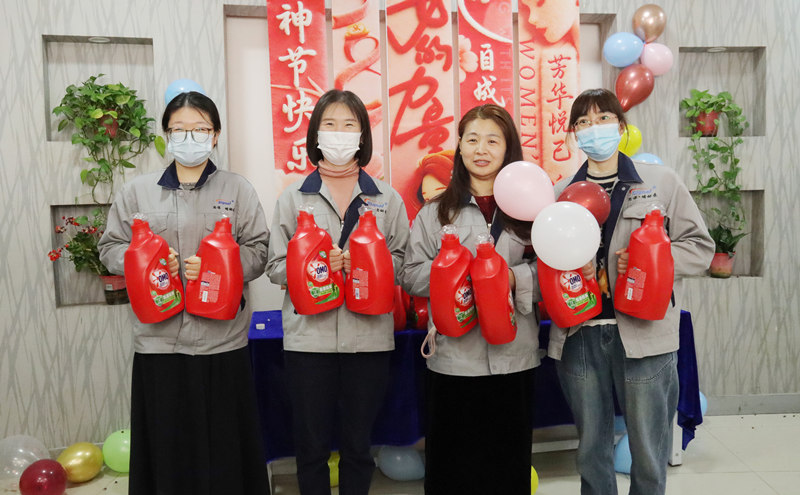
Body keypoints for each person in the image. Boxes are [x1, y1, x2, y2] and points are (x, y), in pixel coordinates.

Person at [97, 91, 271, 495]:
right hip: (160, 344)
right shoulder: (137, 192)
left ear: (215, 135)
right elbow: (109, 249)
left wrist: (218, 267)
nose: (189, 138)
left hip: (222, 342)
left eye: (200, 129)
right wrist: (146, 261)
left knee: (225, 451)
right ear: (166, 135)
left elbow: (260, 251)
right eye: (179, 130)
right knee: (168, 452)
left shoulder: (238, 190)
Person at [549, 88, 715, 495]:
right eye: (583, 122)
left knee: (648, 449)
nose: (593, 129)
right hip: (580, 334)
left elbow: (700, 247)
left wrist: (648, 261)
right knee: (591, 450)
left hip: (645, 335)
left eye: (603, 118)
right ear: (574, 134)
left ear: (621, 126)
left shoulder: (659, 181)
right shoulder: (559, 193)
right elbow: (545, 261)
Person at [266, 89, 410, 495]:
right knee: (311, 446)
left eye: (349, 125)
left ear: (362, 136)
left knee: (359, 445)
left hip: (369, 340)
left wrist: (368, 263)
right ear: (316, 134)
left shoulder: (386, 198)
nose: (339, 133)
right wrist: (313, 265)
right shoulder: (294, 197)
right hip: (309, 341)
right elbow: (274, 266)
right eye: (330, 124)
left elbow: (405, 262)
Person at [400, 104, 541, 495]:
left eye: (493, 140)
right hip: (454, 362)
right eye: (472, 139)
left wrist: (511, 279)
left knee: (508, 469)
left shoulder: (532, 211)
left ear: (508, 148)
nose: (482, 149)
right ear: (459, 147)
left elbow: (553, 274)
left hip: (515, 358)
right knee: (452, 471)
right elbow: (410, 274)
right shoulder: (435, 212)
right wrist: (454, 277)